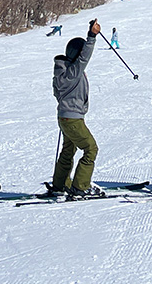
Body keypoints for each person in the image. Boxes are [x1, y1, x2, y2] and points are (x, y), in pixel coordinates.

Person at [48, 19, 103, 198]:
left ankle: (59, 184)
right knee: (90, 149)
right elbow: (84, 57)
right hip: (72, 119)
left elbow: (57, 94)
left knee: (69, 149)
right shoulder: (72, 72)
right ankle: (80, 187)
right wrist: (92, 36)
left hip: (64, 117)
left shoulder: (61, 72)